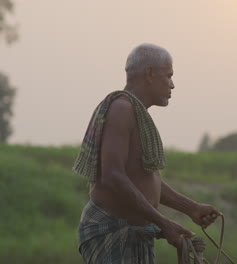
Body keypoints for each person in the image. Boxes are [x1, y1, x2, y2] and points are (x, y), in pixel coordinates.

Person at [73, 43, 221, 264]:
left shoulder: (136, 114)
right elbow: (113, 175)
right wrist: (163, 223)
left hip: (136, 234)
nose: (172, 84)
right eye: (168, 76)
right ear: (150, 74)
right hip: (113, 233)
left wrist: (192, 209)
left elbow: (144, 180)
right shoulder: (121, 109)